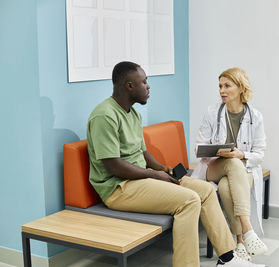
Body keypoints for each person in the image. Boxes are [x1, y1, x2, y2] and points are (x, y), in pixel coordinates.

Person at [86, 61, 266, 267]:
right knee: (189, 200)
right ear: (129, 86)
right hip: (118, 188)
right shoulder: (105, 115)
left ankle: (228, 259)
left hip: (139, 179)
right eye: (144, 82)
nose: (148, 86)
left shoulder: (132, 114)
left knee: (206, 190)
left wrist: (163, 169)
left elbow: (142, 152)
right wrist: (155, 175)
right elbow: (113, 166)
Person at [192, 67, 268, 261]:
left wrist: (241, 154)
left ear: (240, 88)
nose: (222, 90)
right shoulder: (212, 113)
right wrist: (215, 149)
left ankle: (240, 242)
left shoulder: (255, 117)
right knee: (233, 165)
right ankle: (248, 230)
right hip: (214, 167)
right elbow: (198, 147)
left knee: (227, 186)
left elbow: (260, 154)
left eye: (227, 86)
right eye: (220, 86)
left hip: (244, 168)